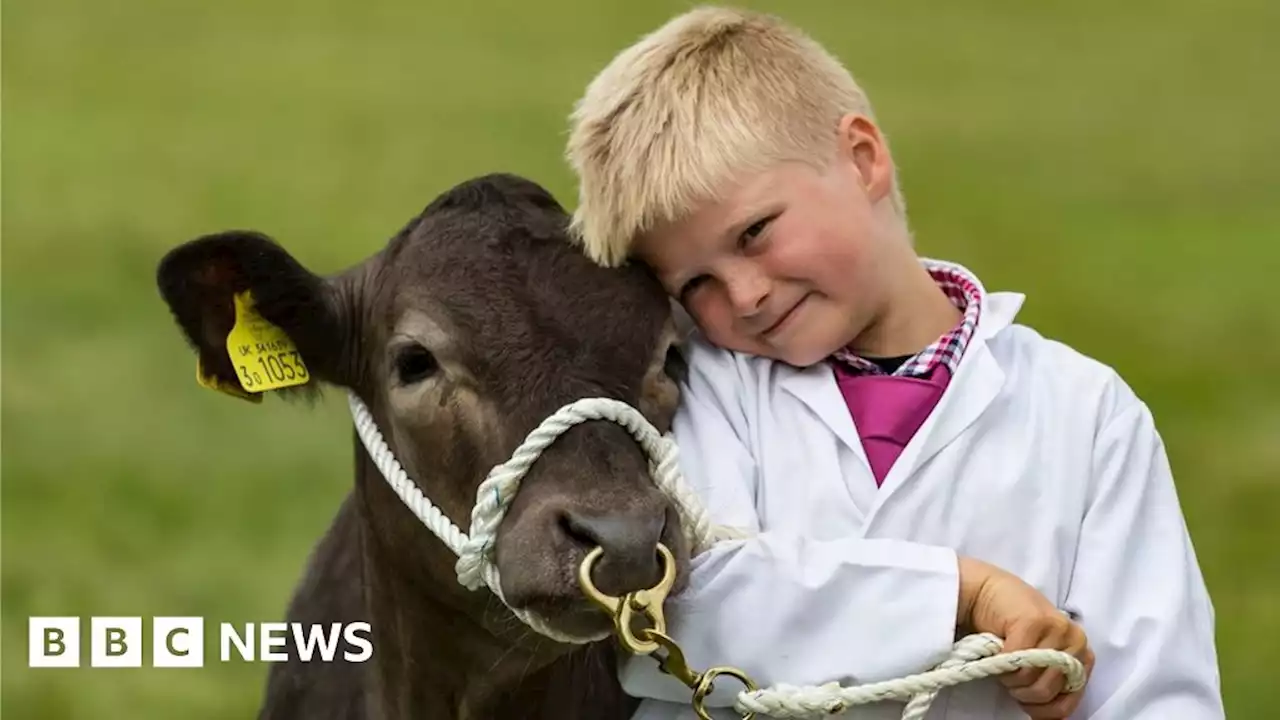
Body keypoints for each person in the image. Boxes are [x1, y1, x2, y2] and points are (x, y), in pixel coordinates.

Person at [562, 6, 1224, 720]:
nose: (744, 295)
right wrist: (961, 595)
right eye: (696, 285)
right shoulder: (704, 388)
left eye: (755, 232)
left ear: (864, 159)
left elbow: (1160, 696)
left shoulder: (1087, 413)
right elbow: (678, 608)